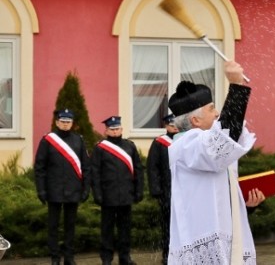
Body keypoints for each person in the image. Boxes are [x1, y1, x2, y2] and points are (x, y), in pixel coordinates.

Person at [167, 61, 264, 264]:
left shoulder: (208, 143)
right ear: (195, 121)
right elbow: (225, 137)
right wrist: (236, 87)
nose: (217, 113)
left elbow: (218, 189)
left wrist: (245, 206)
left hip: (228, 238)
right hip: (204, 245)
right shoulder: (186, 146)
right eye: (211, 109)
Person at [34, 109, 91, 265]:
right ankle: (54, 257)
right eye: (63, 122)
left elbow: (86, 167)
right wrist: (41, 189)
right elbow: (40, 167)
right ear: (57, 122)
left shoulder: (78, 140)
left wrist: (86, 189)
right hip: (54, 190)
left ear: (72, 123)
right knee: (53, 226)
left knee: (70, 226)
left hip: (73, 190)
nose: (66, 125)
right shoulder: (48, 140)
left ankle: (69, 257)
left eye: (68, 122)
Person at [91, 116, 144, 265]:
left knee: (125, 230)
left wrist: (139, 190)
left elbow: (138, 170)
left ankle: (124, 257)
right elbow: (95, 173)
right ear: (106, 130)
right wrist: (97, 193)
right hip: (108, 196)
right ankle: (106, 259)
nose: (115, 132)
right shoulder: (100, 148)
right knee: (107, 230)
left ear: (121, 129)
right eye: (112, 129)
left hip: (126, 195)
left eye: (117, 129)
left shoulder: (130, 146)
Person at [146, 114, 179, 265]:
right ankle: (167, 255)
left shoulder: (185, 140)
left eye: (176, 124)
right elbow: (152, 167)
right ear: (166, 126)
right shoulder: (159, 143)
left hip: (185, 191)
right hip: (167, 191)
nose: (174, 127)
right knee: (167, 225)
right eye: (171, 125)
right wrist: (156, 189)